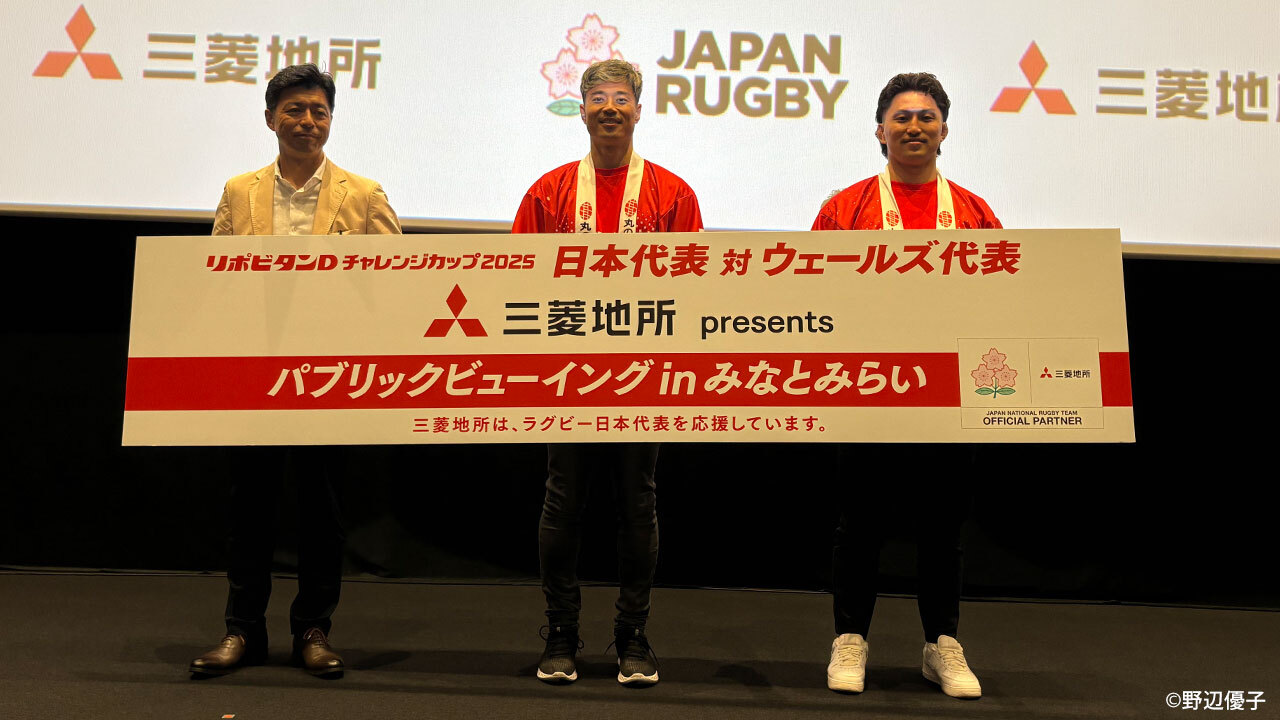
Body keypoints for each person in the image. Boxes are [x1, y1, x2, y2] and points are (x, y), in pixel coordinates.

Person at [189, 63, 401, 679]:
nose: (308, 121)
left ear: (330, 121)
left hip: (329, 373)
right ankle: (242, 630)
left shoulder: (364, 194)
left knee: (322, 512)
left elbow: (399, 282)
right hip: (254, 370)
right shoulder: (239, 191)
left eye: (318, 111)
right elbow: (213, 279)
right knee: (249, 509)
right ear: (270, 119)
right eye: (295, 110)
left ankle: (313, 630)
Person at [512, 58, 703, 686]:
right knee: (562, 502)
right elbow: (516, 281)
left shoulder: (673, 195)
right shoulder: (548, 193)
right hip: (568, 373)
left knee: (637, 503)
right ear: (582, 111)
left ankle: (633, 637)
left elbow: (694, 289)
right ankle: (560, 634)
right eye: (599, 98)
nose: (610, 108)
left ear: (639, 111)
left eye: (622, 98)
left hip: (642, 374)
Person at [813, 72, 997, 699]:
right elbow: (811, 297)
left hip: (948, 391)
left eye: (926, 118)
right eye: (901, 117)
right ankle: (850, 640)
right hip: (867, 387)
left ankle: (941, 643)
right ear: (880, 131)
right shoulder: (844, 210)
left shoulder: (974, 214)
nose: (913, 127)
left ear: (944, 131)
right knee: (859, 524)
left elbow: (1003, 300)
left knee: (942, 528)